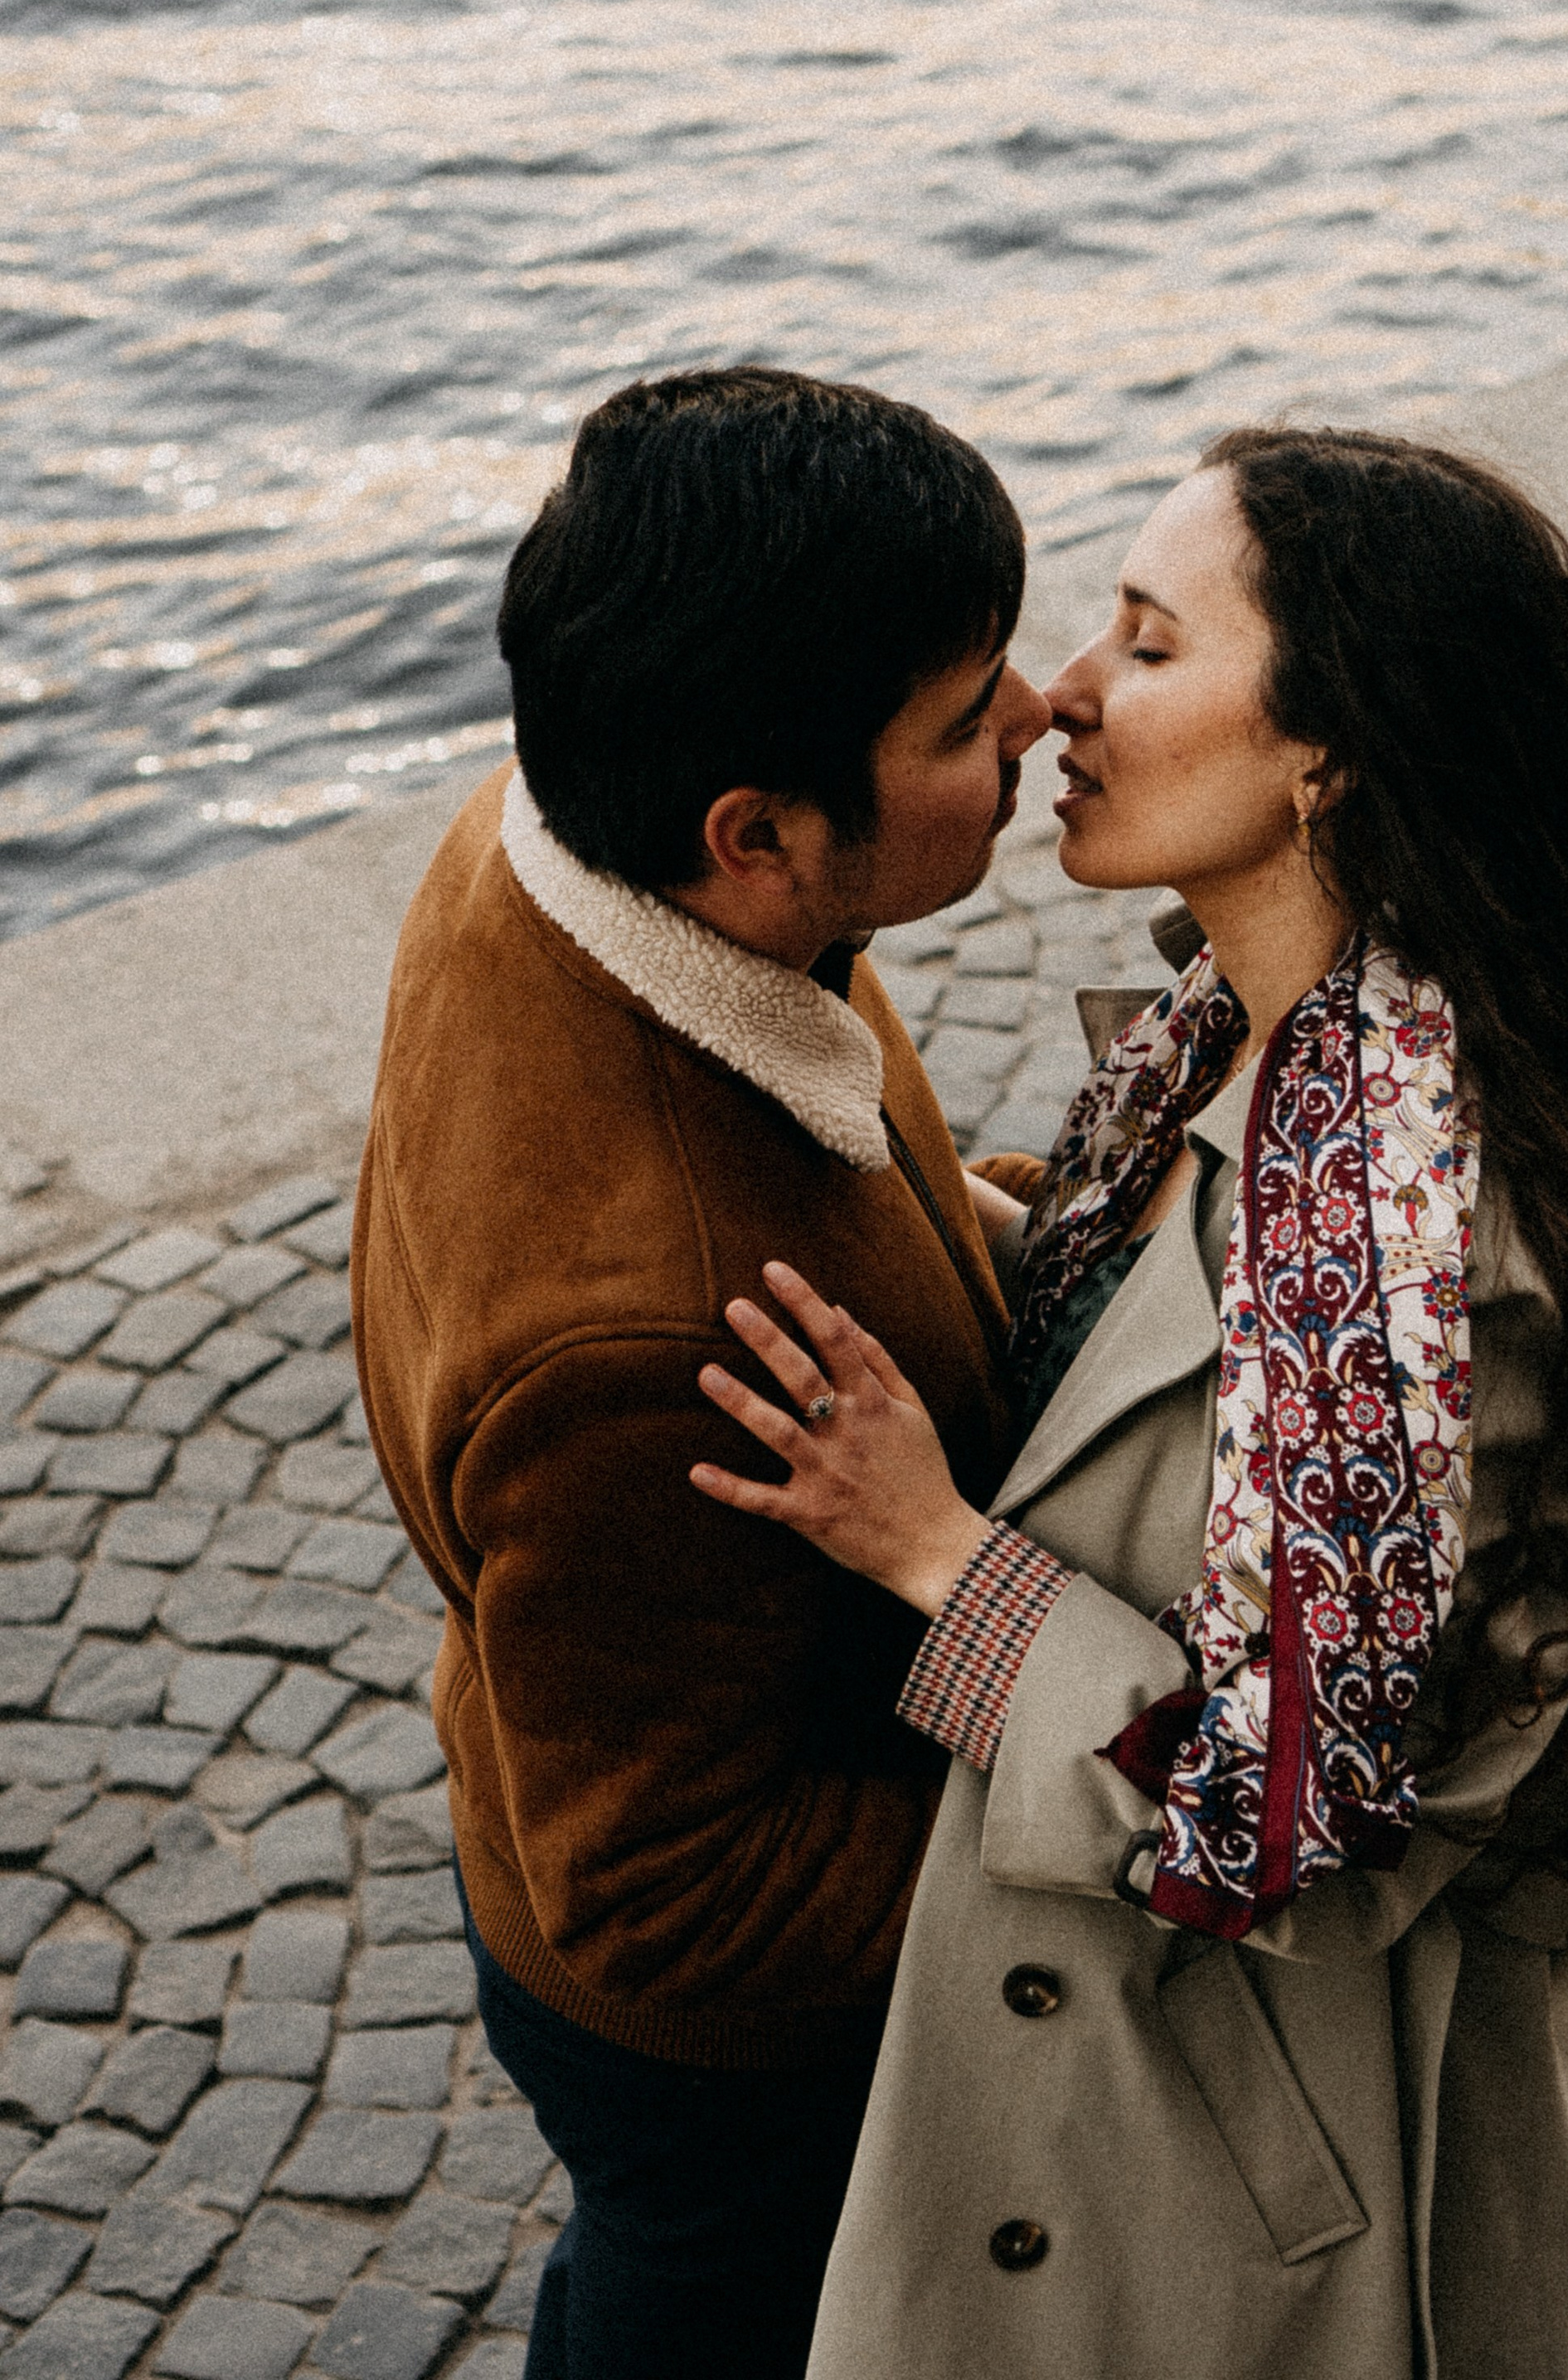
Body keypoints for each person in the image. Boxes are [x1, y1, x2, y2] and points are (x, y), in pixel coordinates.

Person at [688, 426, 1568, 2380]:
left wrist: (931, 1549)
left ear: (1327, 747)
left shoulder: (1409, 1207)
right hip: (1127, 2107)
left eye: (1149, 645)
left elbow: (1285, 1815)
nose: (1058, 695)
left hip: (1265, 2194)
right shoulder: (1236, 1048)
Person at [350, 366, 1051, 2380]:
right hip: (744, 2083)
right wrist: (1085, 1854)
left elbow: (865, 1184)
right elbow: (663, 1891)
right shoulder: (644, 1336)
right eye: (956, 717)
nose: (1033, 721)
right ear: (756, 838)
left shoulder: (558, 830)